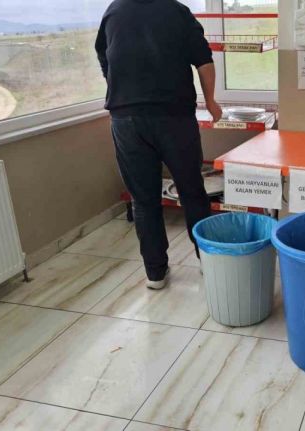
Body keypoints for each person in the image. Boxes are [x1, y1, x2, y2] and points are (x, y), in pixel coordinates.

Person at [95, 0, 222, 290]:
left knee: (143, 199)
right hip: (174, 117)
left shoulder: (113, 11)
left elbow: (105, 58)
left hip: (126, 119)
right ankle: (208, 262)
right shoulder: (176, 11)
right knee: (192, 192)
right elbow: (203, 60)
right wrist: (211, 101)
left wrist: (123, 89)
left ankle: (155, 273)